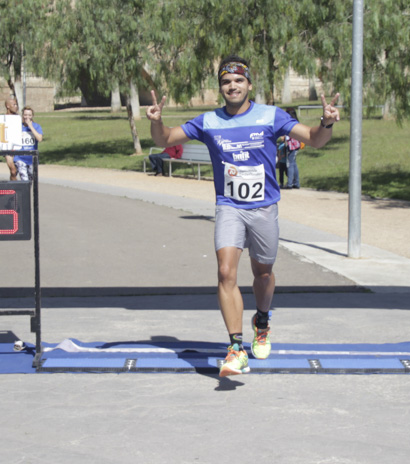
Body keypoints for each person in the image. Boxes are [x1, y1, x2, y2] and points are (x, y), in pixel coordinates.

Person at [146, 55, 340, 377]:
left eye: (238, 80)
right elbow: (165, 139)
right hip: (229, 206)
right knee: (225, 273)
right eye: (226, 81)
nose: (232, 86)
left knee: (263, 273)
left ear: (249, 85)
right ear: (220, 87)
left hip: (264, 208)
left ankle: (261, 322)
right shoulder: (209, 122)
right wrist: (155, 121)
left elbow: (315, 139)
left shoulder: (270, 116)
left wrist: (327, 122)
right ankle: (235, 349)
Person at [14, 106, 43, 181]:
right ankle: (25, 192)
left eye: (29, 115)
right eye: (25, 115)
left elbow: (39, 139)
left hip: (32, 158)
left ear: (32, 116)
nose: (27, 117)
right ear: (23, 115)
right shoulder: (18, 126)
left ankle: (26, 192)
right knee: (24, 178)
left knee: (30, 179)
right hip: (20, 157)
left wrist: (30, 126)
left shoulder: (37, 126)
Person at [2, 96, 21, 180]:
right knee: (13, 170)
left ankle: (12, 184)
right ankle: (14, 189)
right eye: (14, 104)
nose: (16, 106)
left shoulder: (19, 118)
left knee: (16, 171)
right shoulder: (3, 119)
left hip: (18, 146)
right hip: (8, 148)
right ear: (8, 106)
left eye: (16, 104)